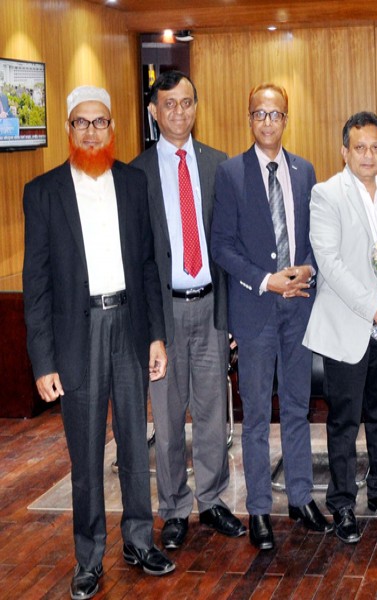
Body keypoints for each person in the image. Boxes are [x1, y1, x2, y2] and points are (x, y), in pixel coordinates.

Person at [22, 85, 175, 600]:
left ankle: (138, 539)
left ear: (113, 129)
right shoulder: (43, 193)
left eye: (101, 122)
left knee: (135, 443)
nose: (92, 131)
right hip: (77, 334)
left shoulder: (133, 184)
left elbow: (151, 265)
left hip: (129, 325)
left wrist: (156, 335)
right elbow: (37, 285)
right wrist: (43, 360)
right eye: (82, 123)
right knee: (86, 454)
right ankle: (88, 558)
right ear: (69, 130)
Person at [210, 83, 331, 551]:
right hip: (256, 309)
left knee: (298, 409)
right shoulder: (230, 174)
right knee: (257, 415)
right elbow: (222, 245)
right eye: (258, 113)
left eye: (275, 114)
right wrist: (266, 279)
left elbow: (316, 238)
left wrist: (307, 268)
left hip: (298, 308)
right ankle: (259, 508)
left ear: (286, 119)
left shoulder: (304, 172)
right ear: (249, 119)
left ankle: (301, 498)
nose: (267, 121)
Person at [131, 70, 245, 550]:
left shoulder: (218, 165)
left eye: (187, 103)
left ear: (197, 107)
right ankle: (175, 507)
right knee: (169, 413)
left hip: (212, 306)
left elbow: (231, 245)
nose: (179, 112)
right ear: (155, 112)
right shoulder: (135, 174)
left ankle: (213, 500)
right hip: (165, 314)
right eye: (169, 104)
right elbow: (136, 256)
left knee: (213, 411)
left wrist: (235, 315)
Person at [303, 112, 377, 544]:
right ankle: (343, 504)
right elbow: (330, 263)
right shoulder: (326, 194)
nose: (368, 155)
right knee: (344, 421)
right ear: (344, 151)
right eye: (359, 147)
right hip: (349, 324)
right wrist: (374, 307)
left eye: (375, 147)